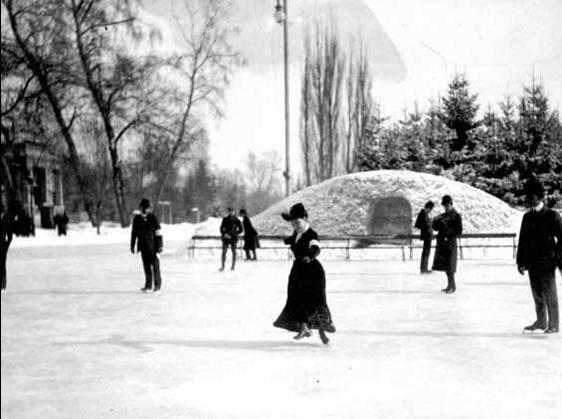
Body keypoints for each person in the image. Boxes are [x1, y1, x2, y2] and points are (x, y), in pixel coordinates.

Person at [273, 203, 335, 345]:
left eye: (298, 222)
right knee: (295, 299)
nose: (295, 226)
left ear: (305, 218)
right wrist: (287, 240)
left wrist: (311, 255)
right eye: (293, 223)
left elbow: (315, 246)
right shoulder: (298, 233)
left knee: (313, 301)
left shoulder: (312, 234)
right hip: (298, 271)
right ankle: (304, 327)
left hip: (312, 271)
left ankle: (322, 332)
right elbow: (295, 239)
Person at [517, 178, 561, 334]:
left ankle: (554, 324)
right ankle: (541, 322)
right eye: (528, 196)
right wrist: (520, 261)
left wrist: (557, 258)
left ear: (539, 196)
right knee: (537, 294)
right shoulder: (527, 217)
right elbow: (522, 241)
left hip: (547, 262)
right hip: (532, 261)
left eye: (532, 196)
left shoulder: (552, 216)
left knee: (550, 294)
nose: (529, 199)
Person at [130, 198, 163, 292]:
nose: (144, 209)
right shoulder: (137, 219)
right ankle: (148, 285)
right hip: (143, 247)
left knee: (156, 267)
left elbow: (158, 232)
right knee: (147, 267)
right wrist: (132, 246)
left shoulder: (153, 218)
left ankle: (157, 286)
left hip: (154, 247)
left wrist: (160, 246)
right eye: (143, 207)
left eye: (146, 208)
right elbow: (134, 233)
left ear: (149, 208)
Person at [432, 195, 463, 294]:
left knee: (450, 266)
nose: (445, 207)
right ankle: (450, 285)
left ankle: (452, 286)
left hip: (450, 243)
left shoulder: (456, 215)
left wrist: (448, 233)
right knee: (446, 266)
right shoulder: (443, 216)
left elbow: (459, 230)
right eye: (444, 206)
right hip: (443, 243)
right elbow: (436, 228)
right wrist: (436, 221)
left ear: (451, 204)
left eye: (447, 205)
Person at [219, 207, 243, 271]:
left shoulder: (237, 220)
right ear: (229, 212)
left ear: (234, 212)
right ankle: (222, 266)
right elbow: (221, 228)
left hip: (234, 238)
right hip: (226, 238)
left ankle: (233, 266)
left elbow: (241, 230)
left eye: (232, 211)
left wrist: (235, 233)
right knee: (224, 252)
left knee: (234, 252)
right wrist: (224, 234)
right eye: (230, 211)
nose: (231, 212)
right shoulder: (225, 219)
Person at [415, 201, 435, 274]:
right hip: (426, 236)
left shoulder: (425, 214)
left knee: (427, 252)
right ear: (428, 207)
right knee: (426, 252)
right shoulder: (422, 214)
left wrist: (429, 222)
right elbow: (418, 224)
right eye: (430, 209)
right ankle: (424, 268)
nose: (430, 211)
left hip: (428, 236)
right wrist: (428, 223)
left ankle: (424, 267)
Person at [1, 203, 14, 291]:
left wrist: (6, 245)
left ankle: (2, 282)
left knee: (2, 263)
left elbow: (10, 235)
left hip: (2, 245)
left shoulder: (6, 219)